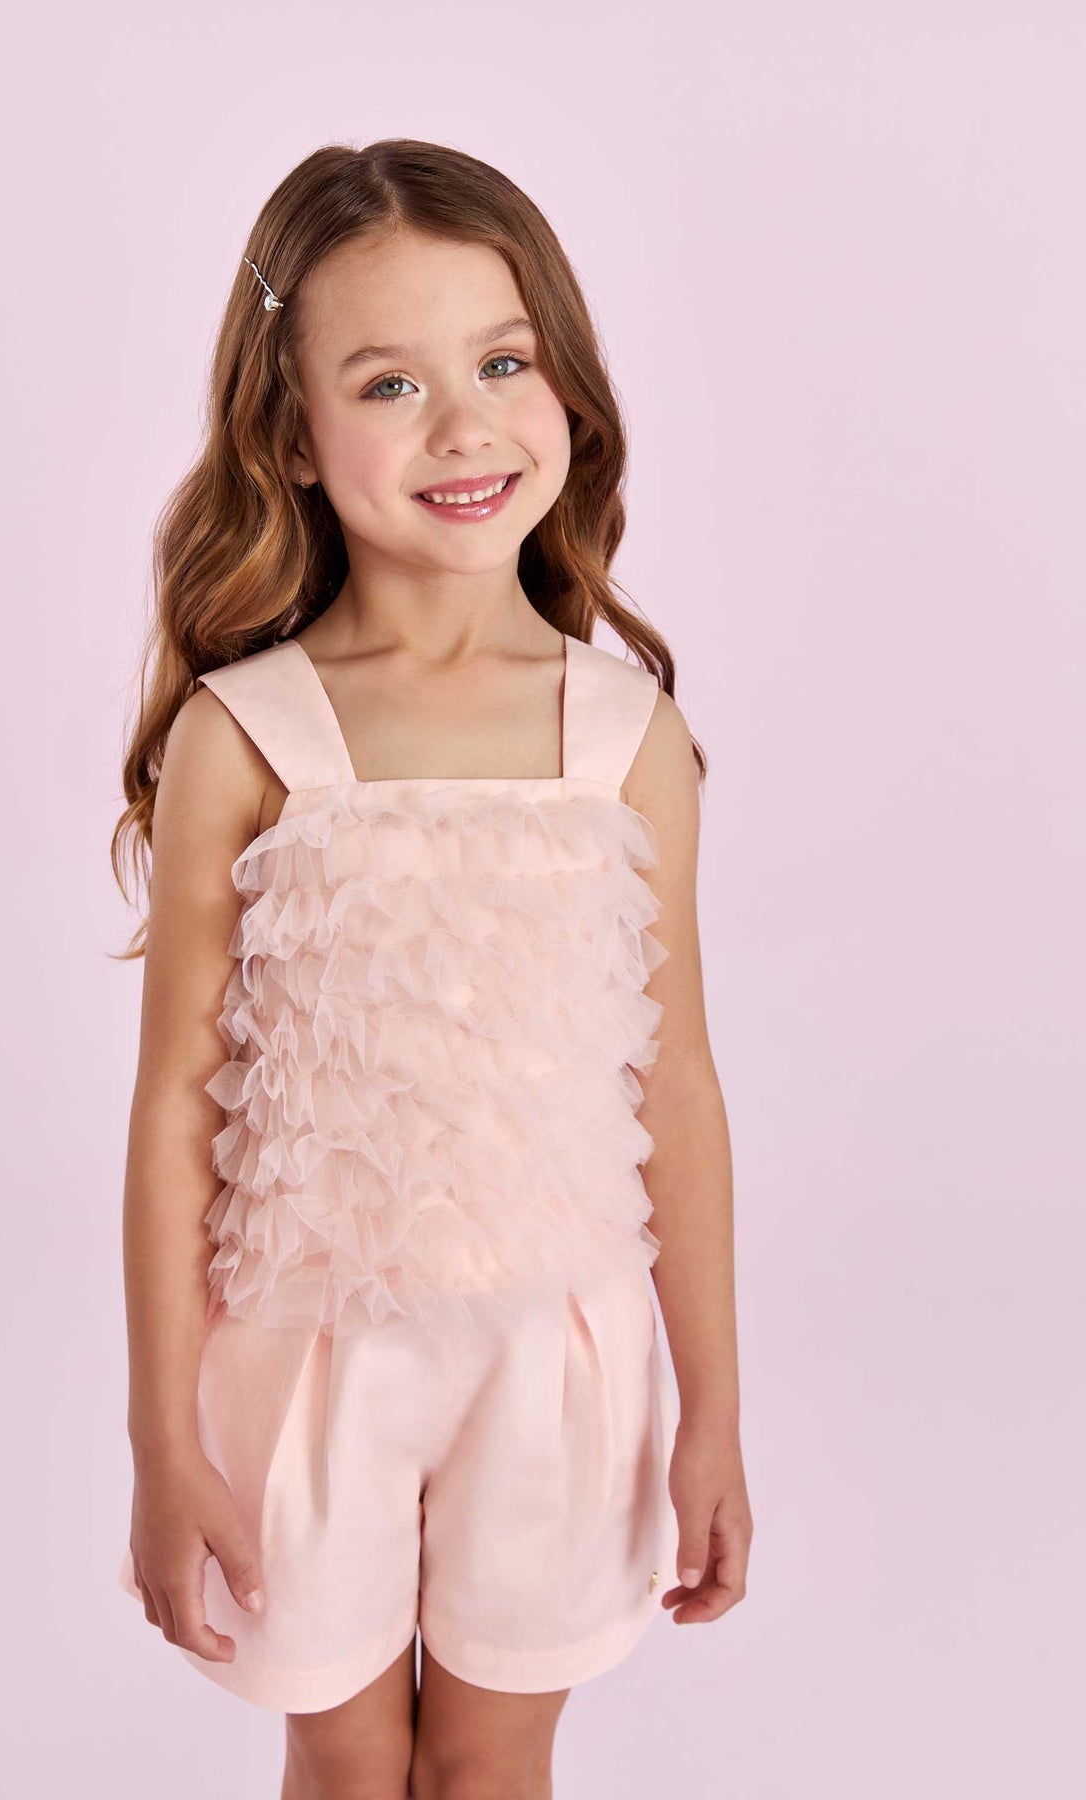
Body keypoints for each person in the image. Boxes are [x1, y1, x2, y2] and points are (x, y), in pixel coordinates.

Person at [113, 137, 751, 1798]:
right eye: (389, 383)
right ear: (291, 437)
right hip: (306, 1356)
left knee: (488, 1766)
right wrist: (161, 1436)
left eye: (503, 362)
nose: (463, 427)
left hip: (557, 1355)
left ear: (566, 384)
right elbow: (175, 1105)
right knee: (345, 1765)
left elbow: (674, 1082)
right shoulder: (246, 735)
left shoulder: (625, 736)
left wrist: (713, 1408)